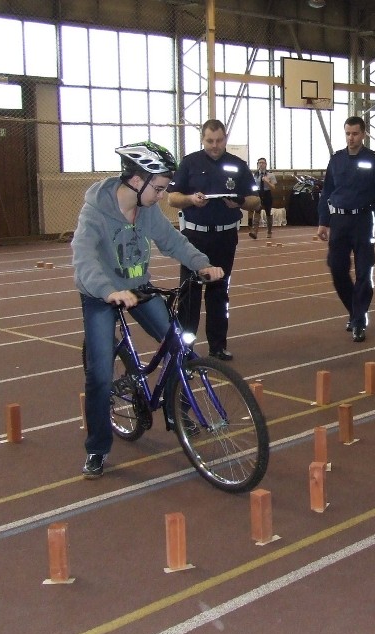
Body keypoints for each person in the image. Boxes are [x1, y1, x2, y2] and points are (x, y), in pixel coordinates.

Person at [71, 142, 224, 479]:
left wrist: (202, 264)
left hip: (138, 289)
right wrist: (109, 290)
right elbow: (84, 259)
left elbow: (172, 241)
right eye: (158, 187)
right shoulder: (95, 212)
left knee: (182, 347)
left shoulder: (148, 210)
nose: (162, 195)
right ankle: (97, 448)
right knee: (98, 374)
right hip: (101, 295)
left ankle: (181, 415)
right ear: (136, 181)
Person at [167, 119, 260, 361]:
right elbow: (172, 198)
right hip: (194, 236)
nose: (215, 145)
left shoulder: (238, 165)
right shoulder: (190, 162)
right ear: (202, 138)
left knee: (219, 291)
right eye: (210, 141)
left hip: (225, 236)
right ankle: (185, 348)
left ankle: (217, 346)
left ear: (225, 138)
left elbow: (255, 201)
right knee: (190, 293)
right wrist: (191, 199)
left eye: (219, 140)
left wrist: (239, 201)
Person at [316, 115, 375, 343]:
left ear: (364, 134)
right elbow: (327, 192)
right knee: (337, 270)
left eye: (355, 133)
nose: (351, 138)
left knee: (363, 272)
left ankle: (359, 320)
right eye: (348, 134)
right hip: (338, 223)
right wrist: (323, 221)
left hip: (362, 222)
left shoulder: (373, 160)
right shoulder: (336, 160)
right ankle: (355, 310)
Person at [250, 157, 277, 239]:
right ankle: (254, 231)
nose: (261, 164)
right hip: (258, 193)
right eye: (259, 163)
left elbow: (273, 188)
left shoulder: (270, 174)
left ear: (266, 164)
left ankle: (269, 231)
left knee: (268, 212)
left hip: (267, 194)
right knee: (257, 211)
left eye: (263, 163)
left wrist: (267, 181)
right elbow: (252, 186)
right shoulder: (254, 175)